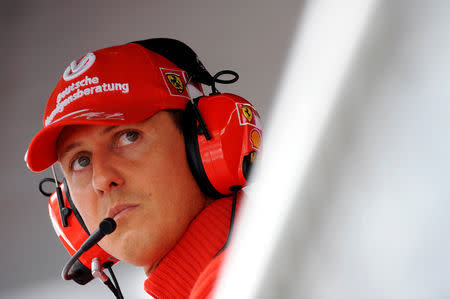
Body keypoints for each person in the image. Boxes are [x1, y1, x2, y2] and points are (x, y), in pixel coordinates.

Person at [25, 38, 262, 298]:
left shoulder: (255, 278)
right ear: (68, 206)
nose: (102, 178)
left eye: (128, 136)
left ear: (202, 143)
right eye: (81, 161)